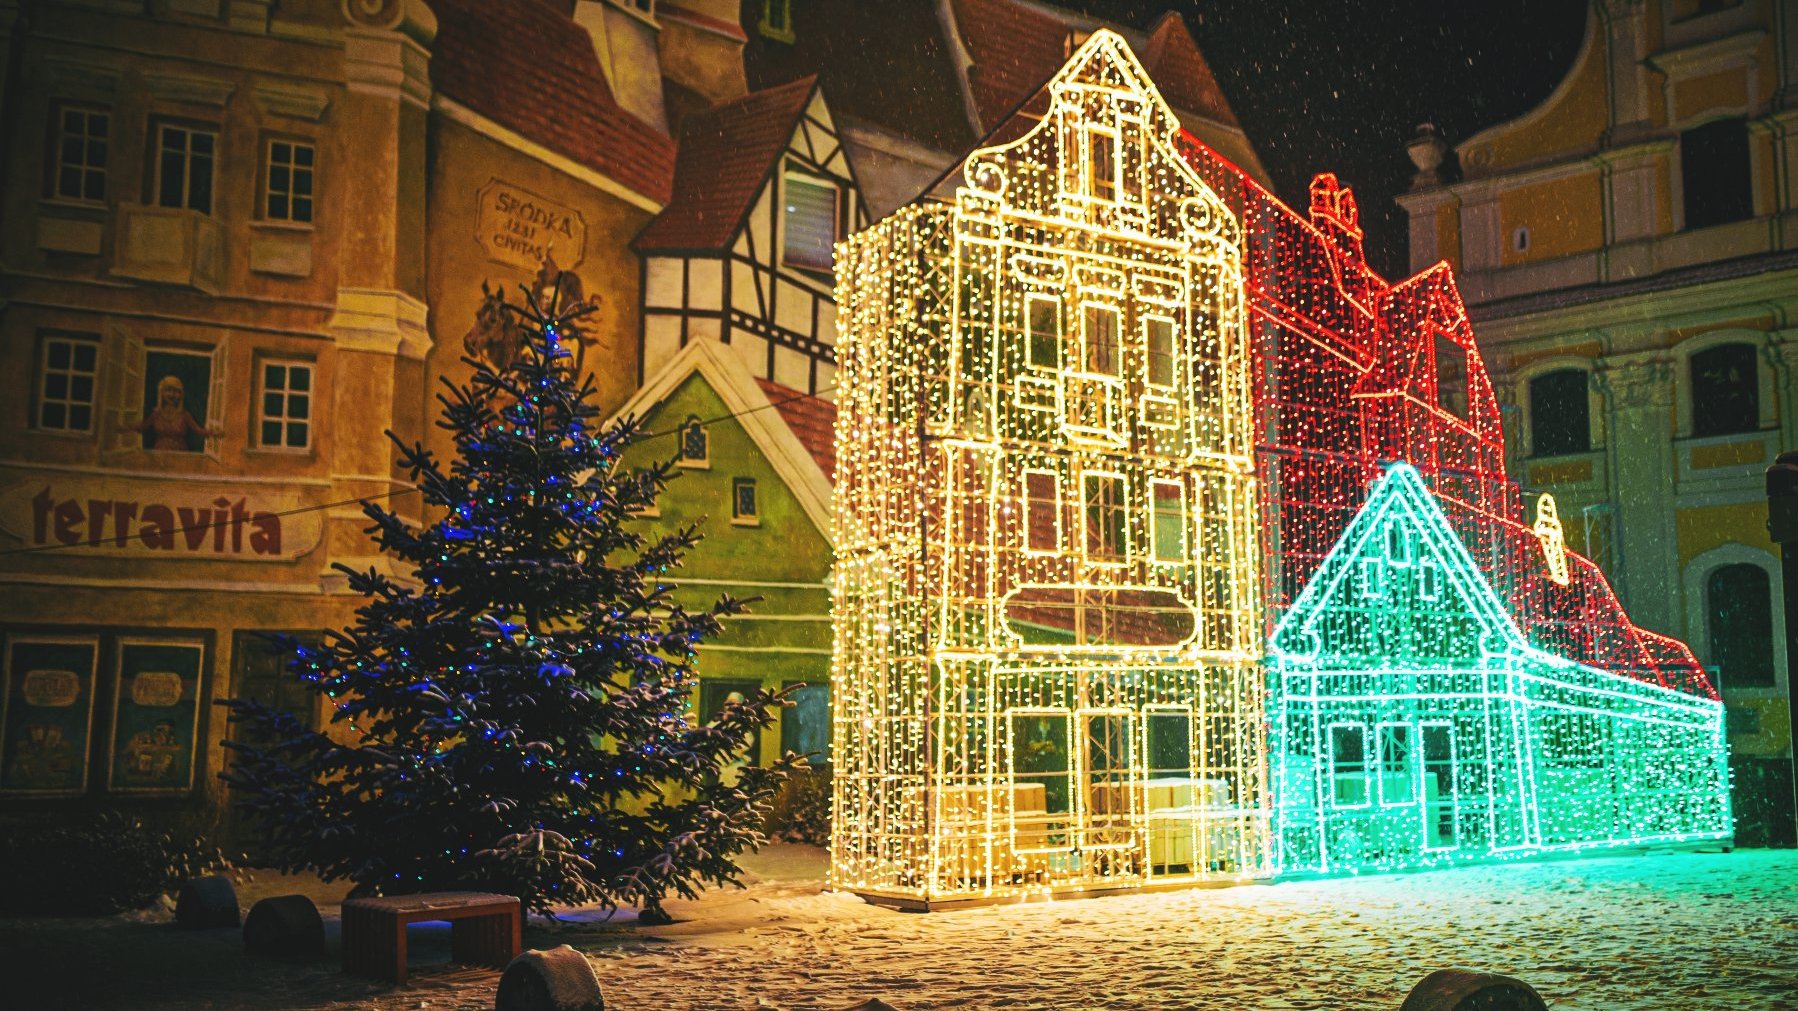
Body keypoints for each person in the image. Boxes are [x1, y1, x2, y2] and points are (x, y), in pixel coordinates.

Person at [137, 375, 217, 451]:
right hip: (159, 453)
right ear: (161, 392)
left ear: (181, 395)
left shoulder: (184, 415)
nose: (172, 395)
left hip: (180, 453)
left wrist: (213, 433)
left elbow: (198, 431)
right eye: (168, 390)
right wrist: (128, 427)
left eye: (176, 391)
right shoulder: (156, 414)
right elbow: (142, 427)